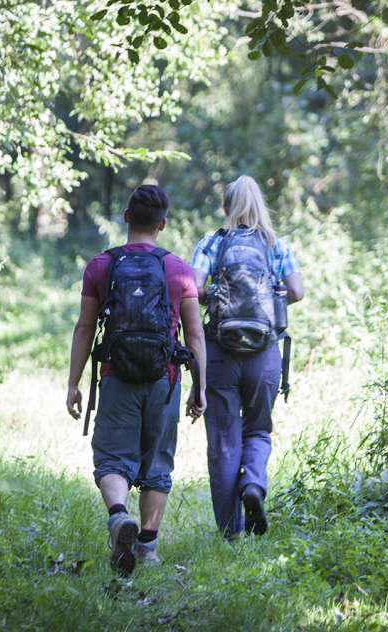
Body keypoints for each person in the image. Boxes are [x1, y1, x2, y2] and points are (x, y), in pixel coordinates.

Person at [66, 184, 207, 575]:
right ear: (162, 224)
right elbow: (194, 335)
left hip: (116, 374)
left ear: (126, 217)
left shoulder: (102, 265)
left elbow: (84, 327)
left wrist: (73, 382)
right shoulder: (178, 270)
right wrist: (201, 386)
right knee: (157, 462)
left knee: (112, 456)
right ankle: (147, 546)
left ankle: (117, 517)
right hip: (164, 378)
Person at [190, 175, 304, 538]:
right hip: (264, 350)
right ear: (261, 206)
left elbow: (192, 289)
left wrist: (215, 296)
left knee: (224, 439)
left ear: (226, 207)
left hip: (221, 351)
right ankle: (253, 483)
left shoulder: (213, 242)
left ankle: (230, 533)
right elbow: (298, 291)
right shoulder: (276, 244)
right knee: (258, 428)